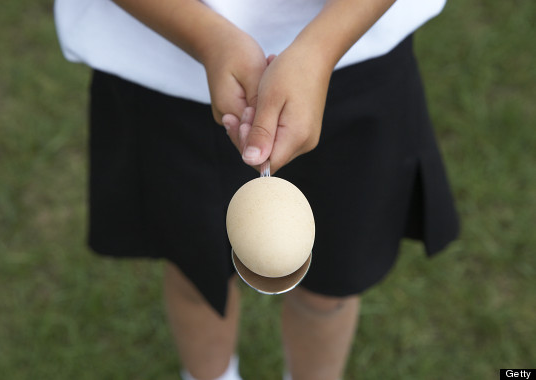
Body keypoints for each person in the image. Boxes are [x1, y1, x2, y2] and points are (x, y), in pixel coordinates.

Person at [54, 0, 459, 379]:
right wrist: (208, 39)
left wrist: (322, 47)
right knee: (198, 275)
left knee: (333, 285)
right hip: (167, 61)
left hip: (355, 46)